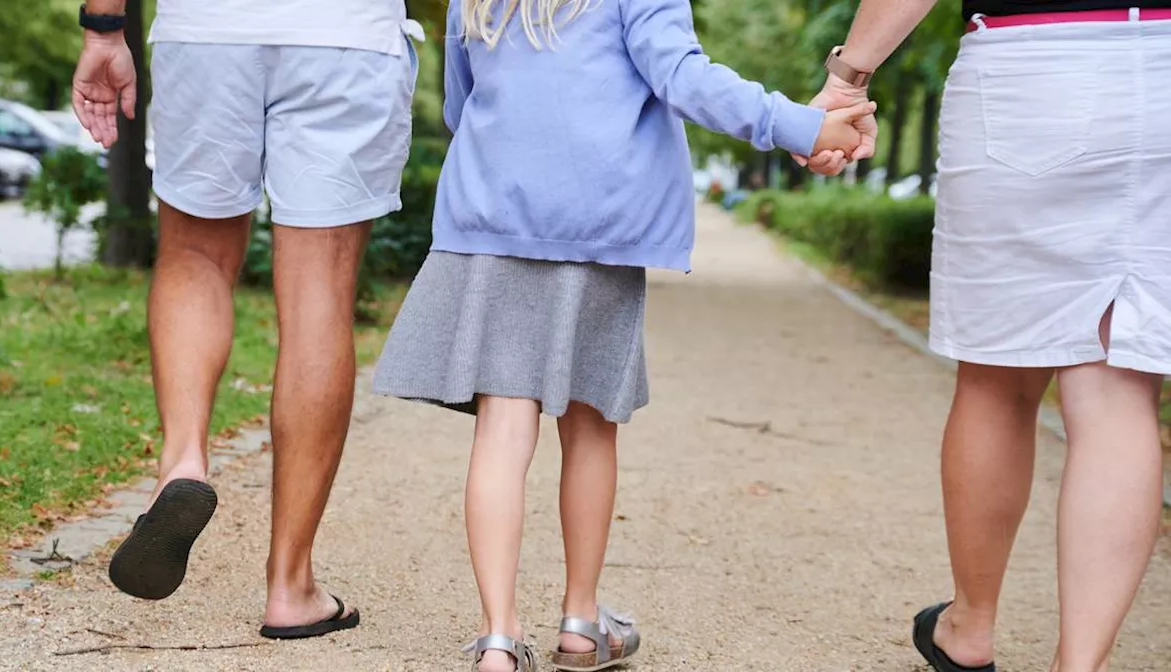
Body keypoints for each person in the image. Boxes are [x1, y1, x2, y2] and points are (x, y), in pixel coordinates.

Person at [370, 0, 875, 670]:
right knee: (589, 425)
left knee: (502, 425)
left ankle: (498, 636)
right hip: (599, 225)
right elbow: (684, 79)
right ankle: (580, 622)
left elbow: (460, 107)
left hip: (495, 219)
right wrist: (799, 125)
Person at [805, 2, 1171, 671]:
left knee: (998, 379)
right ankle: (1079, 664)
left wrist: (849, 74)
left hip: (1034, 68)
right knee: (1120, 389)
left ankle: (970, 628)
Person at [70, 0, 419, 639]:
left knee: (195, 255)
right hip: (345, 35)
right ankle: (291, 587)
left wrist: (103, 24)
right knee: (321, 285)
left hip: (207, 32)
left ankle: (182, 462)